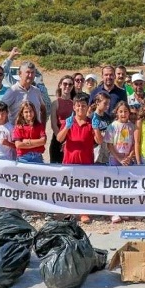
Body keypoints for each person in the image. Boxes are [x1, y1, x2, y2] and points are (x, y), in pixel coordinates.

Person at [57, 93, 95, 223]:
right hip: (69, 161)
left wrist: (96, 127)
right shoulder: (69, 122)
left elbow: (99, 141)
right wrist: (66, 127)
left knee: (84, 188)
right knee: (69, 187)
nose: (80, 108)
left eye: (83, 106)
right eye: (78, 106)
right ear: (74, 107)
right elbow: (59, 138)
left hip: (86, 162)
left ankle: (83, 212)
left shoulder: (91, 122)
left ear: (88, 107)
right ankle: (70, 211)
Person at [1, 61, 48, 125]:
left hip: (35, 132)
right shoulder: (13, 91)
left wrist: (42, 127)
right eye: (28, 72)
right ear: (20, 74)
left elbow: (43, 109)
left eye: (32, 72)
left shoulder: (36, 91)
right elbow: (1, 110)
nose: (30, 75)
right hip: (17, 132)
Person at [49, 75, 76, 164]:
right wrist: (61, 139)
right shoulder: (55, 103)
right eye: (65, 84)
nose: (67, 86)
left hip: (71, 139)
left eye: (70, 84)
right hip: (58, 139)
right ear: (60, 85)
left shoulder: (75, 104)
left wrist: (68, 141)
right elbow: (53, 124)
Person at [91, 92, 113, 164]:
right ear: (97, 102)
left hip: (107, 151)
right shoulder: (91, 117)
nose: (107, 106)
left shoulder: (108, 118)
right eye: (105, 103)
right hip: (95, 151)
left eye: (108, 104)